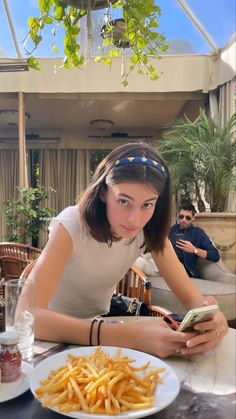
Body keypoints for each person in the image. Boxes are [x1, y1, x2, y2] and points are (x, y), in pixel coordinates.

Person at [28, 143, 227, 359]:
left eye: (147, 204)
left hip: (99, 328)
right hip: (48, 337)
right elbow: (29, 317)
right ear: (104, 192)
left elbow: (194, 302)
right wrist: (132, 336)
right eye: (124, 201)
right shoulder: (72, 223)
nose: (135, 219)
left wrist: (213, 321)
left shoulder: (148, 232)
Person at [169, 202, 220, 278]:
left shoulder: (198, 233)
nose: (184, 220)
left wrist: (194, 250)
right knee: (144, 262)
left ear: (193, 218)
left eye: (188, 218)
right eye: (181, 216)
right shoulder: (173, 229)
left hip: (185, 272)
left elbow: (215, 255)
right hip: (167, 266)